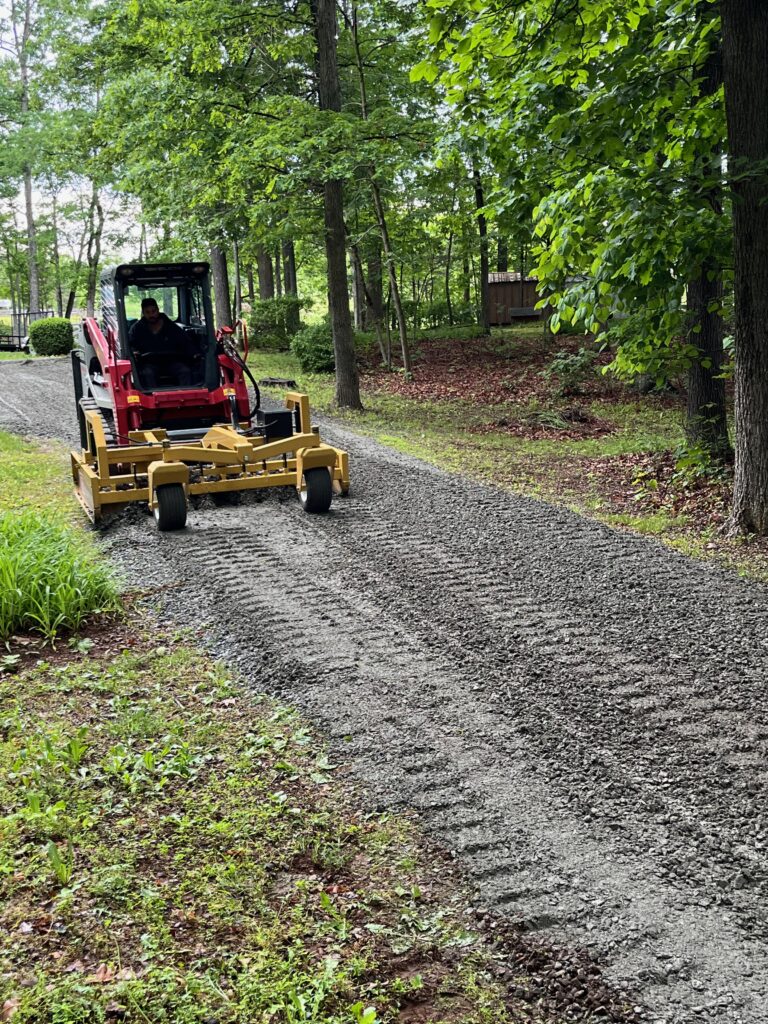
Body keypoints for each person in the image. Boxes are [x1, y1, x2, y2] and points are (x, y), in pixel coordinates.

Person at [128, 297, 193, 389]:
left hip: (171, 361)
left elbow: (185, 341)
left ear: (158, 310)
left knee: (185, 371)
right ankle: (151, 398)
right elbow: (131, 344)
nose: (151, 315)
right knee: (147, 373)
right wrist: (134, 352)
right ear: (143, 313)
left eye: (153, 311)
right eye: (147, 312)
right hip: (149, 363)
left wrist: (193, 354)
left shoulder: (171, 326)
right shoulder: (136, 329)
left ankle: (186, 396)